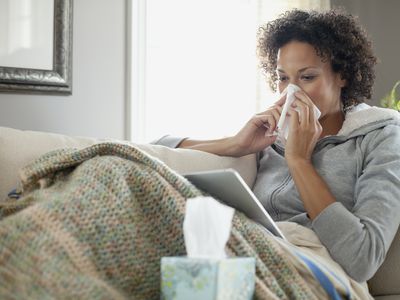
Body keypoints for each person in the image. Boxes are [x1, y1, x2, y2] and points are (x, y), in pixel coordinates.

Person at [154, 8, 400, 282]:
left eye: (307, 77)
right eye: (283, 78)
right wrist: (235, 144)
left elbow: (362, 258)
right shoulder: (270, 136)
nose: (290, 93)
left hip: (313, 271)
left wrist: (299, 162)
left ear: (343, 76)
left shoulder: (382, 137)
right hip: (245, 255)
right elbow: (154, 152)